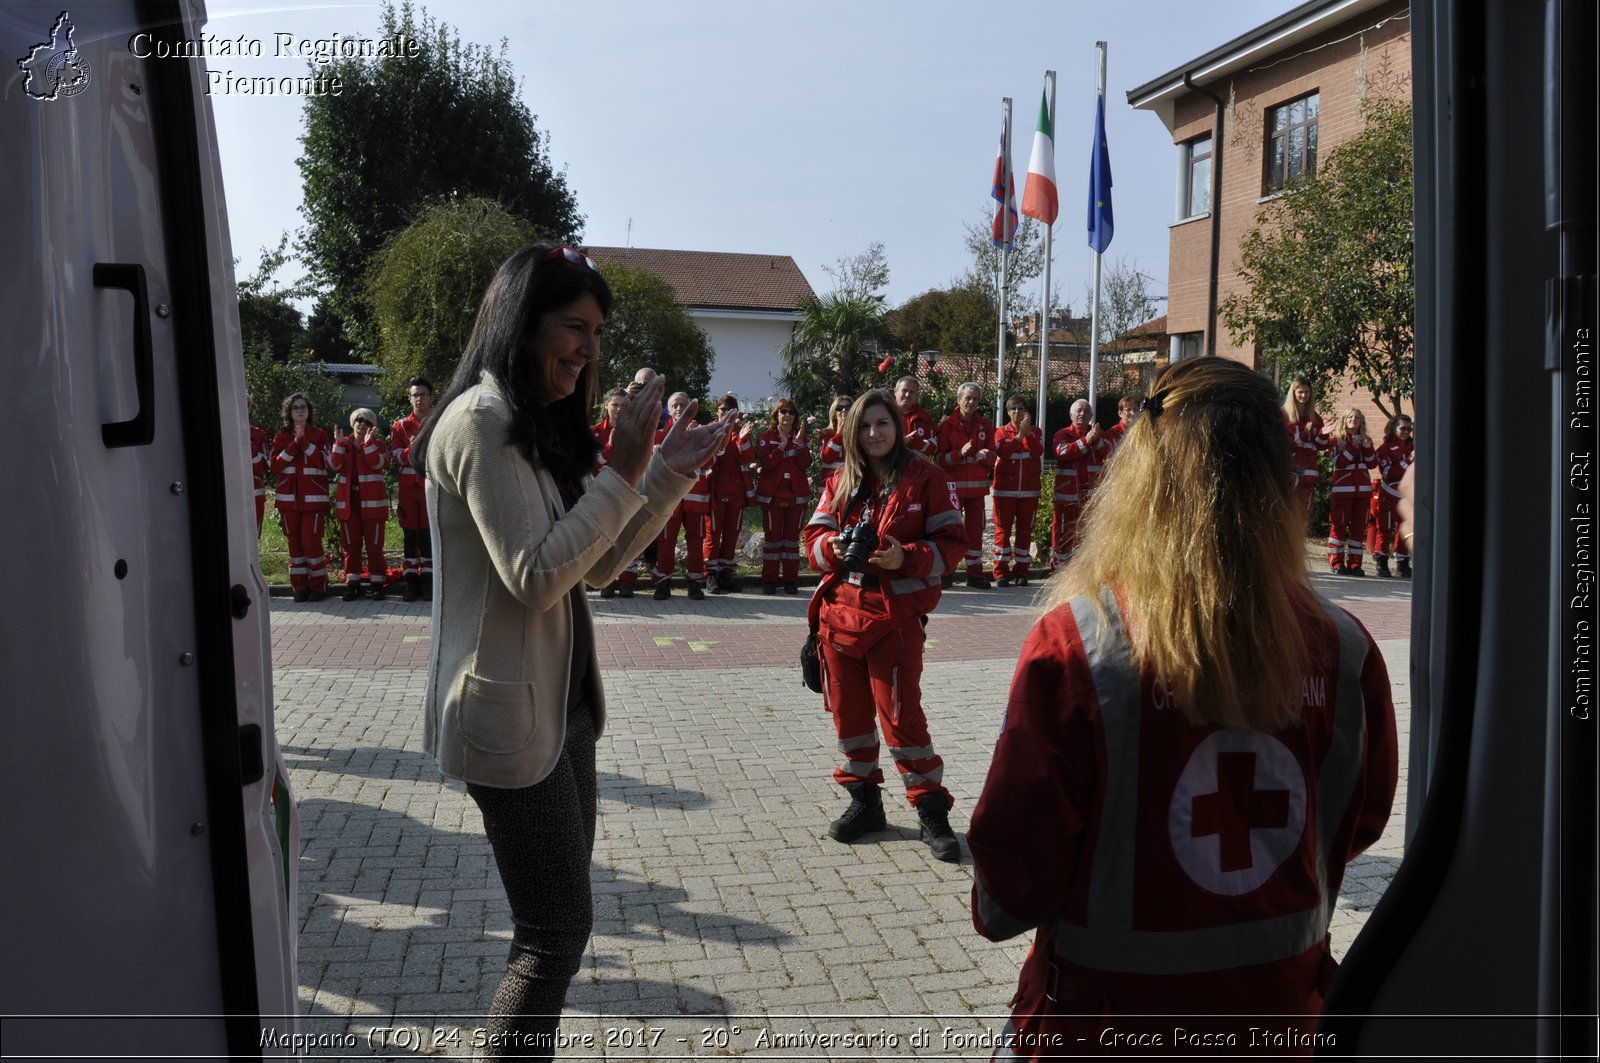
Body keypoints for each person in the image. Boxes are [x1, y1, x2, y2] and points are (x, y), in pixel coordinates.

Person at [968, 357, 1397, 1055]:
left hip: (1104, 1028)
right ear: (1279, 479)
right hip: (1280, 1024)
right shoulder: (1345, 652)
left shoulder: (1081, 644)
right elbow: (1359, 819)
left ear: (1139, 481)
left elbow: (1013, 877)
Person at [414, 244, 734, 1063]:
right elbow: (534, 575)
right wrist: (626, 465)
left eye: (598, 331)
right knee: (554, 930)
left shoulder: (525, 423)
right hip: (508, 723)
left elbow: (593, 562)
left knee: (559, 923)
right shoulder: (479, 423)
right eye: (574, 328)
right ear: (522, 325)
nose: (590, 350)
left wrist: (659, 475)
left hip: (562, 714)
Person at [803, 389, 968, 862]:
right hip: (838, 618)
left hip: (893, 618)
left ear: (896, 427)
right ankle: (865, 804)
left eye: (882, 424)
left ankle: (931, 811)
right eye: (865, 426)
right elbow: (812, 540)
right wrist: (831, 547)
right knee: (850, 720)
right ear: (852, 432)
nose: (874, 434)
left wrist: (905, 556)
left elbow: (954, 544)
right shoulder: (841, 479)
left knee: (901, 718)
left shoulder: (927, 477)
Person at [270, 392, 332, 602]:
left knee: (311, 543)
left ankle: (318, 586)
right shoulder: (282, 435)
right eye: (295, 407)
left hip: (314, 499)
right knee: (295, 546)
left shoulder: (320, 434)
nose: (299, 410)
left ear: (309, 411)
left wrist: (304, 442)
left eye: (303, 407)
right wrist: (294, 444)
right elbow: (276, 465)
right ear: (289, 411)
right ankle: (300, 588)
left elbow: (324, 461)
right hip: (289, 501)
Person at [652, 392, 713, 600]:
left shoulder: (700, 434)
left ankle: (695, 583)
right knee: (666, 541)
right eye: (675, 405)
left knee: (696, 541)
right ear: (668, 410)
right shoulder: (659, 436)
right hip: (670, 499)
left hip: (695, 498)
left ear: (690, 409)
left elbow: (709, 463)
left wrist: (697, 441)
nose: (679, 409)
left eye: (683, 405)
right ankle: (663, 582)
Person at [936, 382, 996, 587]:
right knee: (951, 530)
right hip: (953, 490)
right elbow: (938, 459)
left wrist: (986, 456)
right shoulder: (946, 426)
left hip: (978, 491)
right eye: (967, 398)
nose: (971, 402)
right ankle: (947, 572)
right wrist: (960, 454)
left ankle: (975, 574)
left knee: (975, 532)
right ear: (959, 399)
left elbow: (994, 455)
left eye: (975, 399)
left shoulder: (985, 426)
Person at [330, 407, 390, 600]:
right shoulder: (342, 444)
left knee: (374, 546)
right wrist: (338, 444)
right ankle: (353, 584)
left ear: (373, 427)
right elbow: (334, 465)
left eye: (368, 422)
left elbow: (379, 463)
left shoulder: (378, 445)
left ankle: (378, 584)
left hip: (373, 505)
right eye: (359, 420)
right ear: (353, 423)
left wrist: (368, 445)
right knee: (351, 545)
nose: (362, 425)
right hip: (349, 504)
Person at [755, 399, 811, 594]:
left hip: (796, 496)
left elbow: (805, 465)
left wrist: (801, 445)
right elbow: (768, 464)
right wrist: (781, 447)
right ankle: (769, 581)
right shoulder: (765, 437)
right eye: (783, 411)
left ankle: (790, 581)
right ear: (776, 415)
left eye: (791, 412)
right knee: (772, 540)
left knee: (791, 540)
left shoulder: (801, 437)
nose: (787, 415)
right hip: (773, 497)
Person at [702, 394, 756, 594]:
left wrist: (742, 440)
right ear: (717, 411)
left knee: (732, 535)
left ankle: (725, 574)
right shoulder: (709, 430)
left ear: (736, 413)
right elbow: (704, 459)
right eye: (722, 409)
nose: (725, 413)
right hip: (714, 492)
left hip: (736, 494)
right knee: (712, 535)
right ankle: (711, 576)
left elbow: (749, 458)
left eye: (730, 410)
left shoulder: (739, 432)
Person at [1049, 399, 1110, 570]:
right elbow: (1061, 453)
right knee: (1063, 533)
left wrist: (1096, 441)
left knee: (1088, 534)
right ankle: (1059, 570)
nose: (1082, 414)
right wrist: (1085, 442)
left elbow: (1110, 453)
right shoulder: (1063, 434)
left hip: (1091, 497)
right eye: (1079, 411)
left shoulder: (1098, 433)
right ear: (1071, 415)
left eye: (1086, 411)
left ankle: (1082, 571)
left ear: (1091, 415)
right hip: (1067, 495)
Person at [991, 396, 1044, 587]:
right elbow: (1003, 453)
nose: (1017, 412)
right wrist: (1019, 436)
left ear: (1026, 412)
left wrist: (1027, 433)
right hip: (1005, 492)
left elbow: (1038, 451)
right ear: (1008, 412)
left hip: (1029, 492)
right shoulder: (1001, 432)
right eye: (1013, 409)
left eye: (1021, 408)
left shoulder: (1036, 432)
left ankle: (1022, 572)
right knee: (1002, 532)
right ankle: (1000, 572)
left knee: (1025, 532)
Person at [390, 376, 435, 602]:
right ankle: (411, 582)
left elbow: (439, 455)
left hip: (430, 487)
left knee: (428, 537)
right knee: (410, 537)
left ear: (430, 397)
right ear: (409, 398)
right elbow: (398, 456)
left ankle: (428, 582)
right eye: (415, 395)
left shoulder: (439, 422)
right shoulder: (400, 426)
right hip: (408, 491)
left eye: (423, 395)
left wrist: (413, 452)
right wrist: (416, 448)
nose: (419, 399)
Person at [1328, 408, 1377, 575]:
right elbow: (1339, 462)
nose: (1353, 419)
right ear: (1345, 420)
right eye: (1350, 416)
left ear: (1361, 421)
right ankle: (1336, 562)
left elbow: (1372, 464)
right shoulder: (1337, 440)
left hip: (1362, 491)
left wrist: (1368, 447)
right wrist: (1354, 448)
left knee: (1358, 528)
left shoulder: (1366, 440)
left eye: (1357, 417)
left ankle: (1355, 564)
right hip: (1342, 490)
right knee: (1339, 526)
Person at [1369, 414, 1415, 578]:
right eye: (1403, 428)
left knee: (1405, 529)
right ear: (1393, 428)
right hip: (1389, 494)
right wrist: (1407, 464)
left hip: (1409, 496)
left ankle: (1402, 564)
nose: (1406, 432)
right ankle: (1381, 563)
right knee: (1385, 529)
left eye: (1409, 429)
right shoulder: (1384, 449)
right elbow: (1387, 473)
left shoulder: (1414, 446)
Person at [1283, 376, 1330, 529]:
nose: (1304, 396)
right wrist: (1304, 433)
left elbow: (1321, 446)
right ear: (1293, 393)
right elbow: (1284, 443)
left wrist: (1324, 435)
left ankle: (1298, 545)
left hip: (1309, 472)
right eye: (1300, 392)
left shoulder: (1315, 417)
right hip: (1290, 472)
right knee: (1285, 510)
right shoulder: (1284, 415)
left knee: (1304, 513)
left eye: (1307, 392)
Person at [893, 375, 938, 458]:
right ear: (895, 391)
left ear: (916, 395)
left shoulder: (924, 417)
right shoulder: (885, 413)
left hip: (915, 468)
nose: (907, 395)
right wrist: (900, 442)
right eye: (904, 390)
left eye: (912, 392)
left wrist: (914, 442)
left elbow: (934, 447)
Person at [816, 394, 851, 480]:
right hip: (830, 486)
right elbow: (827, 458)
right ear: (834, 414)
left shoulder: (858, 433)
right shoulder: (825, 434)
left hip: (851, 485)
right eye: (839, 408)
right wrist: (838, 435)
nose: (844, 410)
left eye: (848, 407)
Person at [250, 420, 269, 537]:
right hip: (229, 490)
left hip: (254, 491)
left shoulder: (258, 434)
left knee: (253, 537)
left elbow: (263, 465)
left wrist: (250, 447)